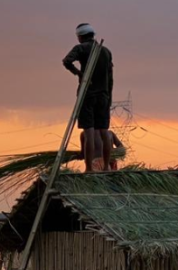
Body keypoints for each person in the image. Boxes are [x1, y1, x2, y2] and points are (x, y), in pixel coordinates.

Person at [63, 23, 114, 171]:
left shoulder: (81, 48)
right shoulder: (106, 51)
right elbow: (110, 78)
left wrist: (79, 74)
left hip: (87, 94)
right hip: (104, 96)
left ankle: (89, 169)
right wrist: (109, 98)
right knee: (104, 131)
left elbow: (66, 61)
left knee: (89, 132)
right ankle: (105, 167)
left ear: (80, 36)